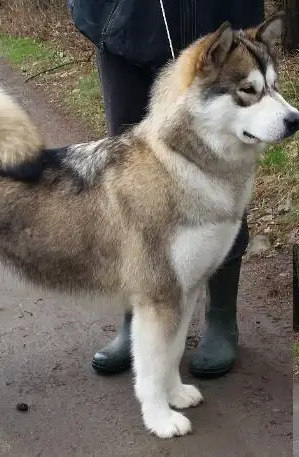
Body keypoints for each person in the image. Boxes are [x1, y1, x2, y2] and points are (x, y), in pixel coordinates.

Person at [68, 1, 265, 378]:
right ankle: (135, 316)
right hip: (123, 19)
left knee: (225, 164)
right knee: (129, 177)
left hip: (217, 25)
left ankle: (221, 316)